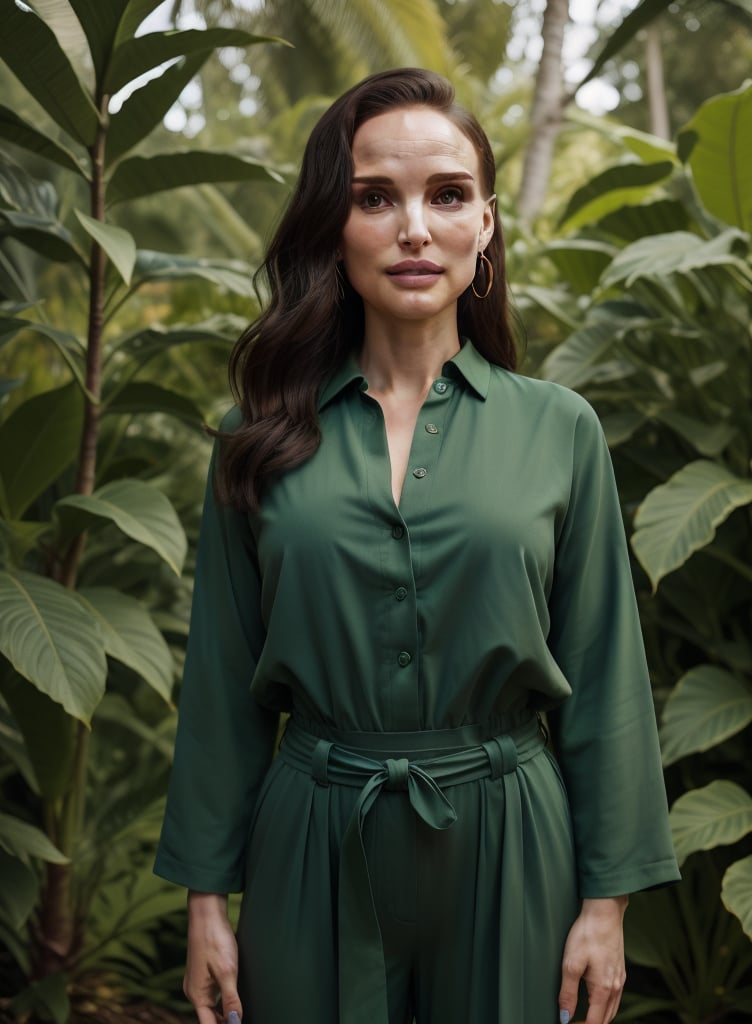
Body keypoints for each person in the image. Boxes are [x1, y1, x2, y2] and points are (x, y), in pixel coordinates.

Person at [154, 68, 680, 1024]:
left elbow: (605, 672)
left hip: (511, 840)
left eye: (446, 195)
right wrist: (205, 902)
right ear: (333, 227)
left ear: (484, 226)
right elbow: (223, 680)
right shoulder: (255, 437)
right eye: (373, 198)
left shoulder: (560, 429)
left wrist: (607, 906)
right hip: (312, 837)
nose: (413, 228)